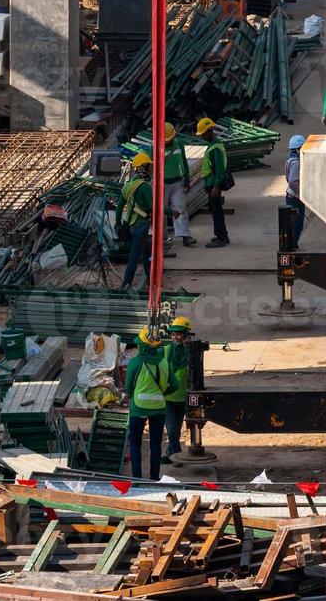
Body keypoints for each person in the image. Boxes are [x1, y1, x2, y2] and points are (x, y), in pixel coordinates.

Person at [124, 327, 171, 480]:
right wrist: (163, 394)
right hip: (159, 409)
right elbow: (174, 385)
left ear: (143, 346)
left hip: (138, 408)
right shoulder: (164, 362)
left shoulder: (135, 362)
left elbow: (129, 387)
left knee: (135, 444)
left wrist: (132, 397)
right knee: (156, 445)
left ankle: (137, 479)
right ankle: (154, 478)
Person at [120, 153, 156, 292]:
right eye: (149, 167)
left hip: (132, 226)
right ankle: (126, 283)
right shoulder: (145, 187)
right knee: (134, 258)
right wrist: (171, 212)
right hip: (141, 226)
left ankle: (151, 281)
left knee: (147, 253)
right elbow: (153, 207)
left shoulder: (128, 186)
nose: (150, 170)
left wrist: (118, 223)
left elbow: (119, 208)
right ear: (143, 168)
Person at [161, 317, 193, 463]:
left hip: (183, 397)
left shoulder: (190, 353)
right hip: (167, 398)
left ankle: (169, 454)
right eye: (173, 334)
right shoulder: (166, 351)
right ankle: (178, 455)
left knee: (177, 428)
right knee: (172, 428)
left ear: (186, 335)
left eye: (179, 334)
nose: (175, 337)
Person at [195, 118, 231, 248]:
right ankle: (222, 235)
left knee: (216, 212)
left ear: (209, 131)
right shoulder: (213, 145)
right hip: (210, 184)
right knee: (216, 211)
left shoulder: (215, 148)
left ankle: (221, 237)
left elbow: (219, 169)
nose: (203, 136)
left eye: (203, 133)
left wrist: (216, 187)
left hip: (214, 185)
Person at [163, 123, 195, 247]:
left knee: (181, 209)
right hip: (162, 184)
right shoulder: (155, 146)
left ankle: (185, 236)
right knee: (161, 212)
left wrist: (187, 180)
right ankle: (162, 238)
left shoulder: (178, 144)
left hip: (177, 182)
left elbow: (184, 162)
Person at [286, 135, 306, 248]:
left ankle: (293, 244)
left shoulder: (291, 160)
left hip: (292, 196)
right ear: (298, 150)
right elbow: (293, 182)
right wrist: (300, 194)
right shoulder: (296, 163)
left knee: (295, 222)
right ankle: (292, 245)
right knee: (297, 223)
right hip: (295, 197)